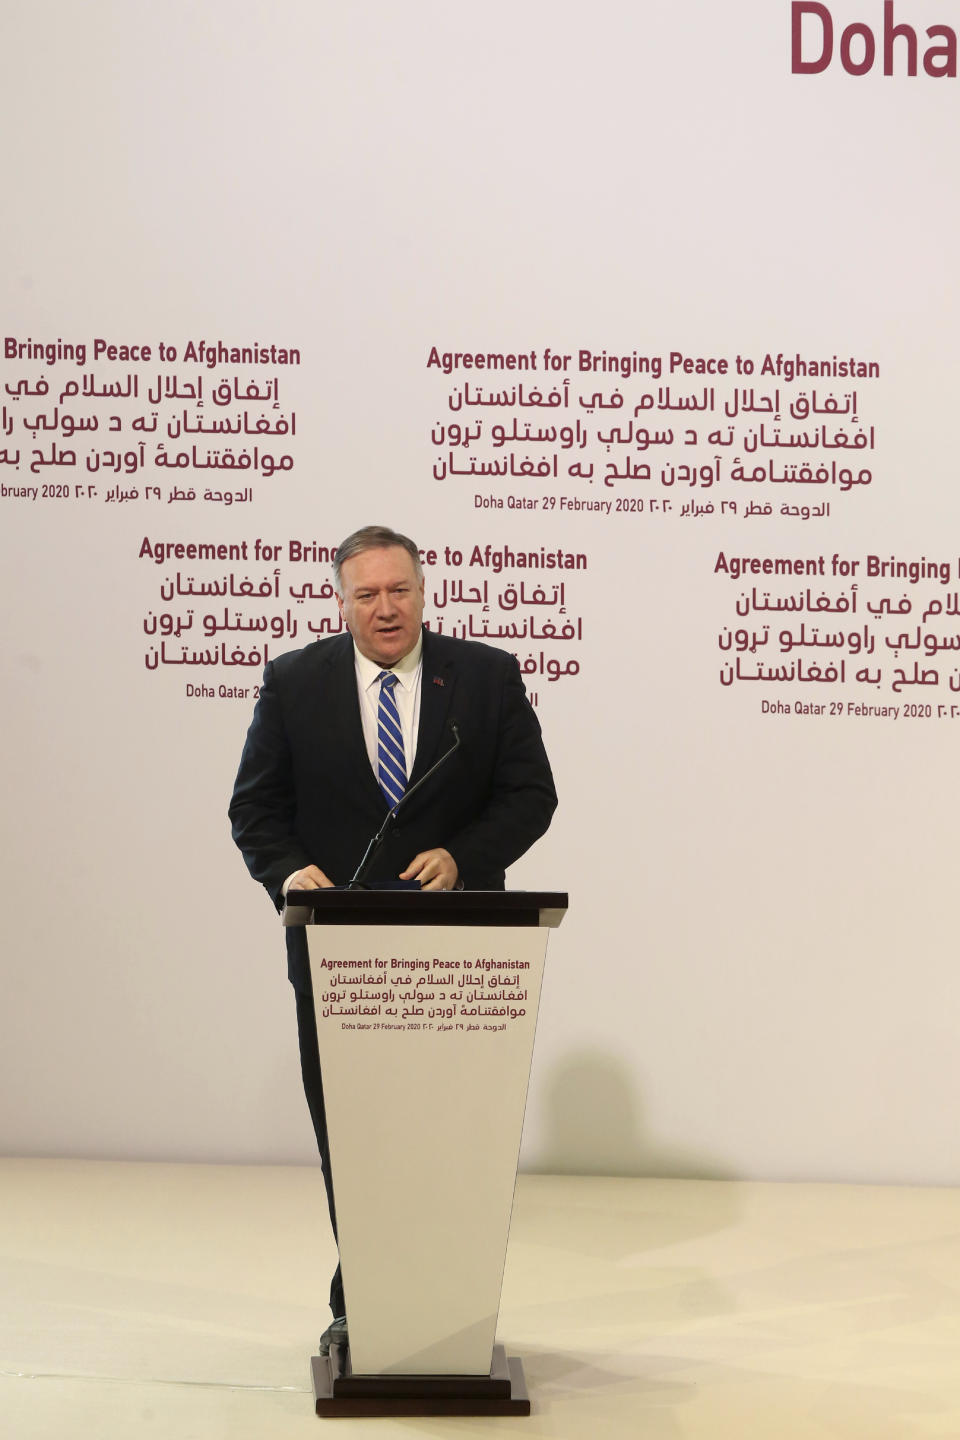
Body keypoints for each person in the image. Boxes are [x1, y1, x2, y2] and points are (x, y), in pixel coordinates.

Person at [229, 524, 557, 1353]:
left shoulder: (484, 678)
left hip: (461, 953)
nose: (386, 608)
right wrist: (291, 871)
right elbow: (256, 811)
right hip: (336, 955)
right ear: (341, 603)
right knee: (355, 1128)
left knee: (450, 1129)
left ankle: (451, 1301)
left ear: (423, 590)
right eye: (367, 594)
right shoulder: (294, 682)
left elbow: (531, 796)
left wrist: (464, 855)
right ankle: (362, 1294)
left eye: (399, 590)